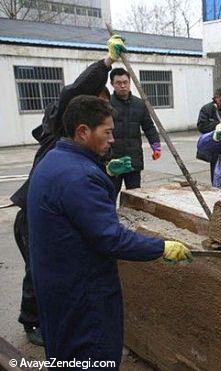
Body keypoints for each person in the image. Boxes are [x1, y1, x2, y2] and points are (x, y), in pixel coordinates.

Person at [27, 95, 192, 368]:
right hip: (83, 291)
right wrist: (161, 247)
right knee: (93, 355)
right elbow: (110, 238)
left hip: (56, 285)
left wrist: (102, 171)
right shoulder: (79, 176)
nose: (112, 139)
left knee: (64, 354)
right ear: (83, 131)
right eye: (108, 132)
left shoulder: (55, 159)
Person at [8, 34, 127, 346]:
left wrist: (108, 171)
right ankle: (32, 322)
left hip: (57, 211)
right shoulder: (59, 128)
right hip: (34, 214)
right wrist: (106, 63)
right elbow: (74, 90)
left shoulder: (89, 145)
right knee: (38, 270)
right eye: (98, 103)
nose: (103, 110)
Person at [109, 68, 161, 197]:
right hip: (113, 160)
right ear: (112, 84)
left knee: (135, 195)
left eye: (125, 82)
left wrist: (156, 146)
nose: (122, 86)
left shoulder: (140, 104)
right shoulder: (106, 104)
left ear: (130, 82)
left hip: (133, 159)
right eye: (118, 83)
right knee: (109, 195)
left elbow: (149, 127)